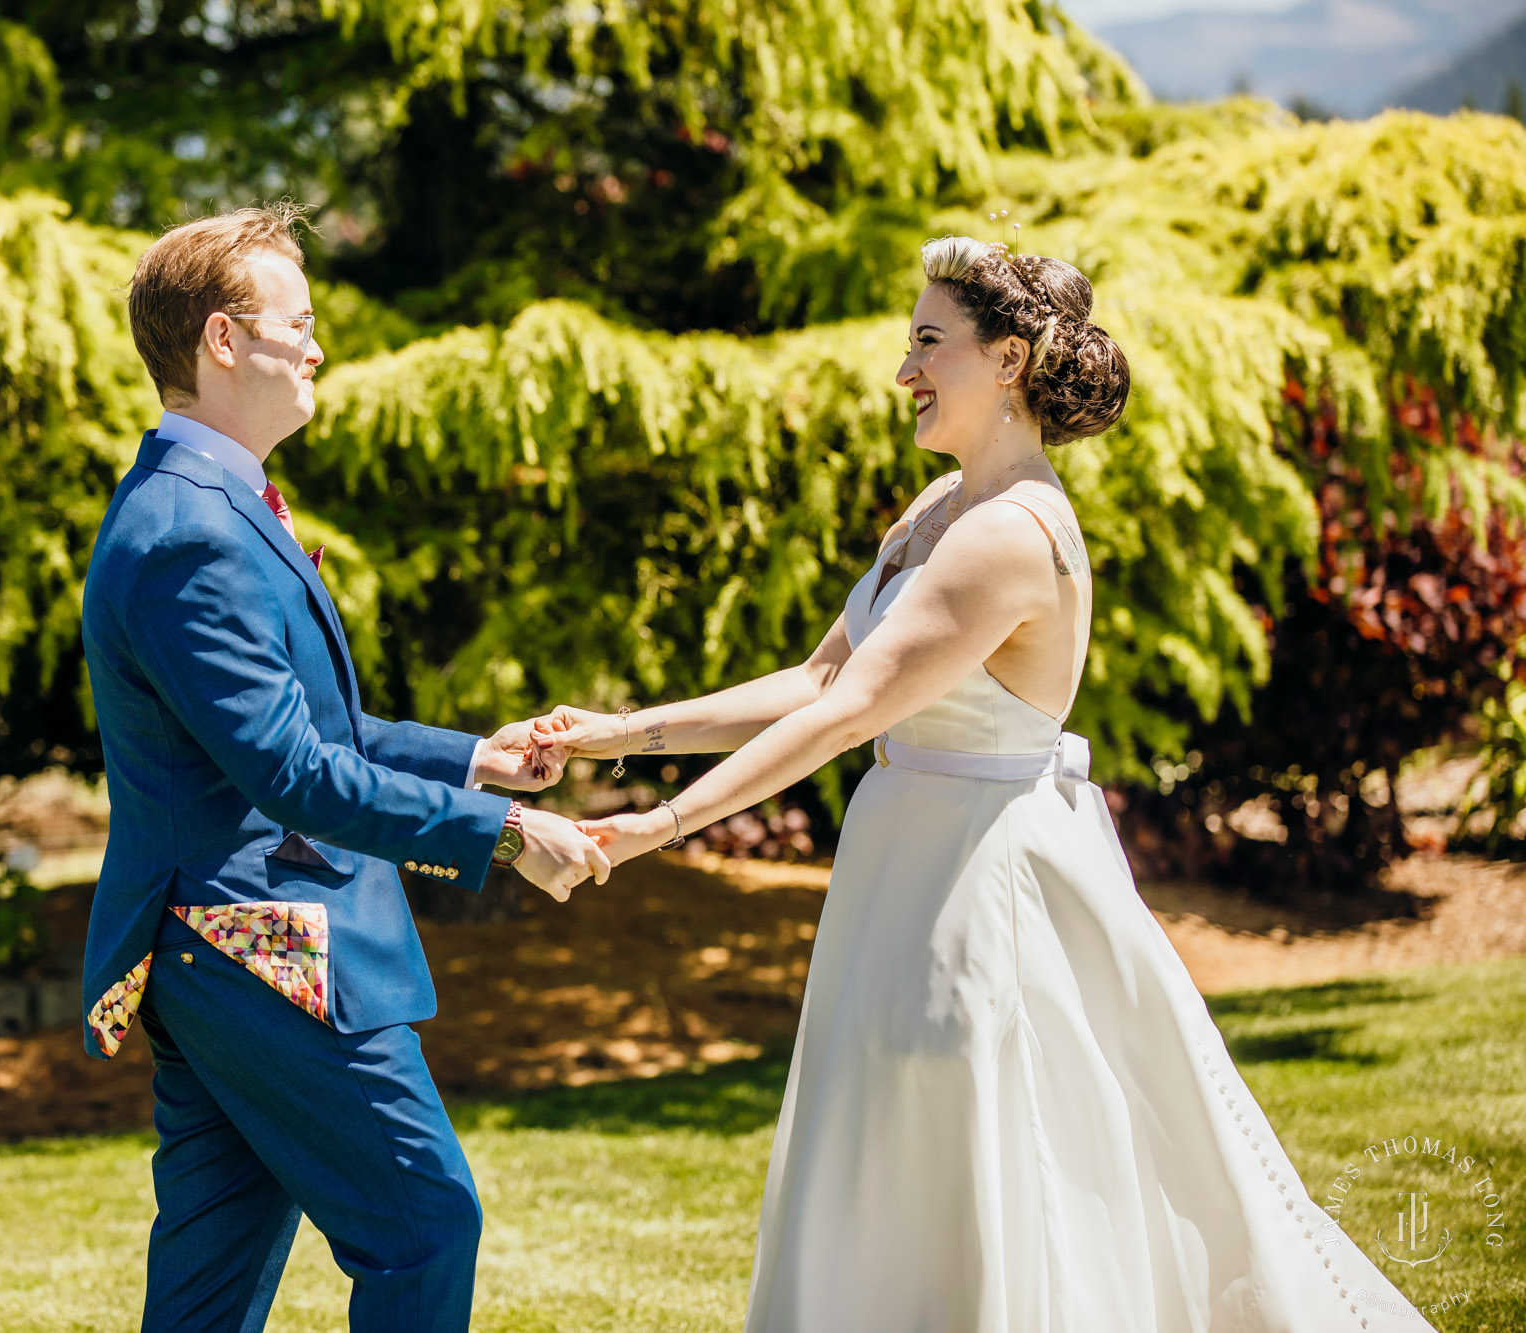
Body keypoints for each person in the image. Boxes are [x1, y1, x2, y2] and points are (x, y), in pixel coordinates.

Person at [535, 236, 1439, 1331]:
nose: (902, 371)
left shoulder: (1005, 535)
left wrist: (658, 824)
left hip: (977, 884)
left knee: (972, 1136)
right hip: (903, 864)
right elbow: (818, 673)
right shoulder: (932, 510)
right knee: (881, 1129)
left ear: (1007, 360)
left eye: (927, 343)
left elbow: (848, 713)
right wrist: (613, 734)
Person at [79, 204, 610, 1333]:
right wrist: (503, 838)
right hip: (251, 941)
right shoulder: (191, 530)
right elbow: (290, 776)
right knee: (424, 1221)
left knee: (211, 1277)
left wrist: (480, 760)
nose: (316, 347)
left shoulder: (212, 503)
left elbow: (318, 732)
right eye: (298, 323)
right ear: (223, 340)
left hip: (214, 946)